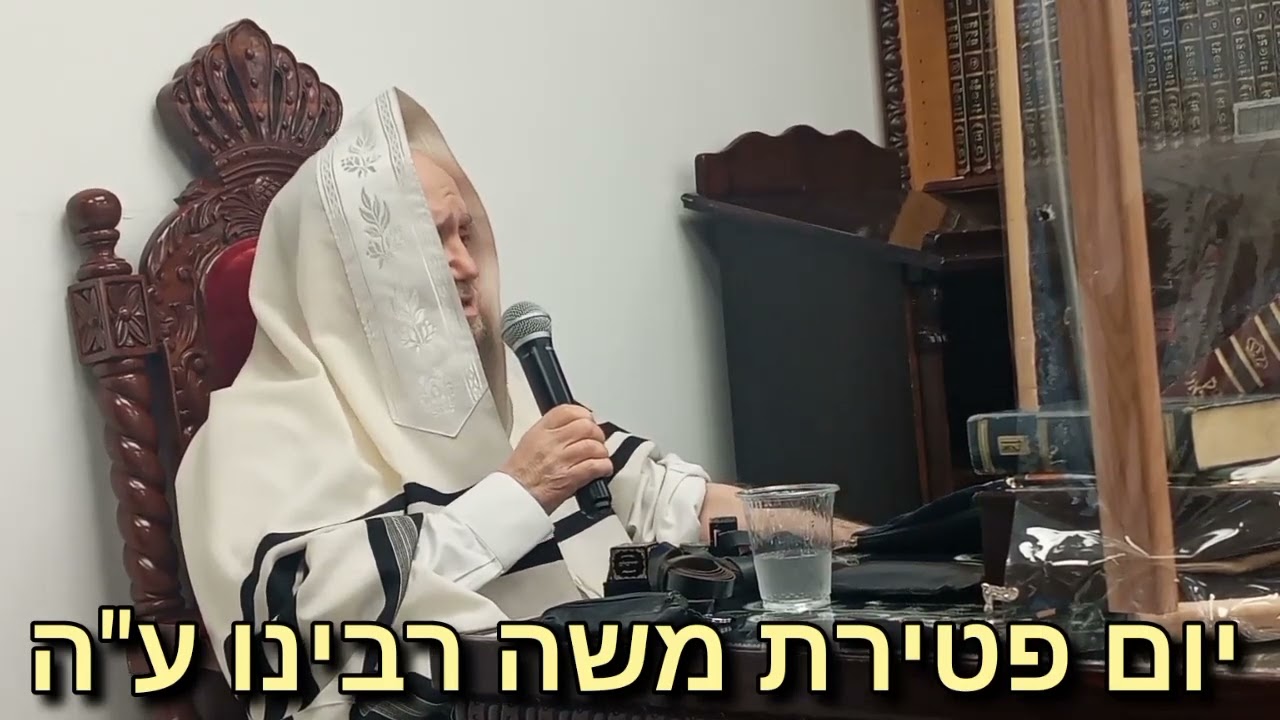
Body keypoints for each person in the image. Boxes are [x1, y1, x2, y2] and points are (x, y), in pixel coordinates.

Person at [175, 88, 865, 720]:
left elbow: (672, 501)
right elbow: (297, 634)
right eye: (432, 240)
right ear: (345, 273)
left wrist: (872, 544)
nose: (468, 265)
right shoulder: (248, 439)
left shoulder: (506, 400)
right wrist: (518, 493)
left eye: (465, 234)